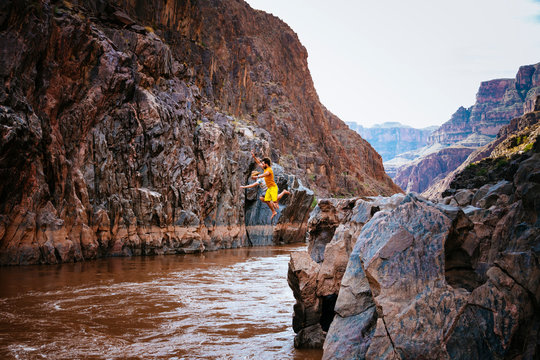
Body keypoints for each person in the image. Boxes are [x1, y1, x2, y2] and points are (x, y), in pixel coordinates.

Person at [249, 150, 280, 220]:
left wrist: (257, 177)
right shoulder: (265, 168)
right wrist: (254, 157)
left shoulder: (269, 170)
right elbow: (258, 163)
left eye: (263, 164)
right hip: (269, 188)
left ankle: (277, 201)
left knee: (275, 202)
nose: (262, 165)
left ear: (266, 164)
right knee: (265, 199)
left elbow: (264, 175)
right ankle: (274, 212)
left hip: (273, 188)